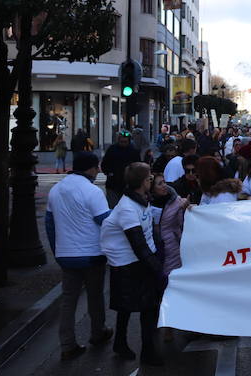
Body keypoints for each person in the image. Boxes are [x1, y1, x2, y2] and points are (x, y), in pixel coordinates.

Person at [45, 152, 113, 360]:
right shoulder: (92, 191)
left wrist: (57, 250)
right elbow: (105, 221)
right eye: (97, 167)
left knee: (68, 300)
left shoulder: (56, 190)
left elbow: (49, 224)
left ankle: (67, 344)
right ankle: (97, 331)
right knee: (95, 296)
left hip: (66, 254)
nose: (99, 170)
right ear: (91, 169)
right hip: (91, 253)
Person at [100, 162, 163, 366]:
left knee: (136, 307)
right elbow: (138, 244)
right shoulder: (127, 208)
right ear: (142, 182)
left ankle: (130, 345)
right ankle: (143, 350)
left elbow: (147, 236)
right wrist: (158, 270)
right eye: (149, 179)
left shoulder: (141, 201)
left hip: (136, 261)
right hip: (127, 263)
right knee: (140, 307)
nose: (151, 182)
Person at [149, 172, 189, 285]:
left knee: (171, 278)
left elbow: (182, 224)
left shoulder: (176, 201)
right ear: (152, 189)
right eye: (160, 184)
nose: (164, 186)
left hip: (171, 246)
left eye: (164, 182)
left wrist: (184, 210)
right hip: (153, 247)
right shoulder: (146, 203)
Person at [101, 132, 141, 208]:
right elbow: (104, 164)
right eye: (121, 142)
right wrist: (109, 173)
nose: (123, 143)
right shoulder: (112, 149)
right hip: (113, 184)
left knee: (127, 207)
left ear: (129, 141)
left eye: (125, 142)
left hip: (128, 185)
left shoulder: (134, 151)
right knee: (113, 207)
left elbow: (137, 166)